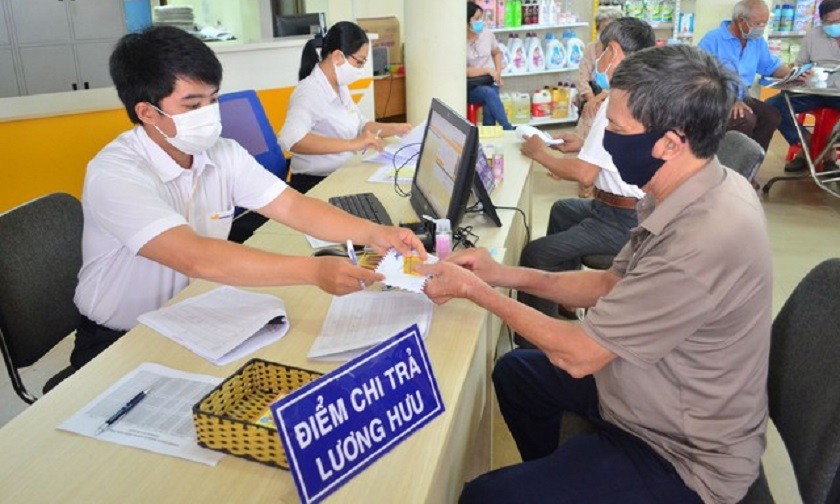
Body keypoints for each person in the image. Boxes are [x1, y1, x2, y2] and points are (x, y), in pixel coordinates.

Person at [420, 44, 772, 503]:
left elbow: (579, 356)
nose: (605, 138)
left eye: (616, 128)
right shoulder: (684, 188)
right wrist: (502, 274)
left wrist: (475, 290)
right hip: (643, 390)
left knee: (484, 497)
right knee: (517, 373)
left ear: (669, 142)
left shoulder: (704, 237)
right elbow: (609, 284)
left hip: (681, 451)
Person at [70, 26, 425, 371]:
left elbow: (291, 205)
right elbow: (195, 257)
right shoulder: (115, 173)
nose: (209, 115)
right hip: (119, 339)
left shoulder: (222, 152)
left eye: (213, 100)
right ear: (147, 112)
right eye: (193, 106)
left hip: (191, 315)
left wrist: (377, 234)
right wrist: (314, 271)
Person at [515, 17, 653, 332]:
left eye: (601, 52)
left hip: (622, 221)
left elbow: (584, 174)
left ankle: (537, 339)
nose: (597, 61)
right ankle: (564, 301)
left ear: (614, 52)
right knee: (562, 210)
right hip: (625, 207)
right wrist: (581, 144)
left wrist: (541, 154)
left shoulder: (617, 102)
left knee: (536, 253)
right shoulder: (641, 93)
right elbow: (609, 152)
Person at [278, 21, 411, 193]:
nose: (361, 69)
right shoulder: (309, 92)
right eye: (360, 62)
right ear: (338, 57)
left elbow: (360, 125)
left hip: (340, 173)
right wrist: (353, 144)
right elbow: (293, 140)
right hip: (315, 183)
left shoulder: (339, 85)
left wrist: (393, 128)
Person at [698, 0, 789, 153]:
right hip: (715, 98)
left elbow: (771, 66)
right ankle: (734, 171)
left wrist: (795, 74)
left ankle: (751, 166)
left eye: (765, 23)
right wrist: (730, 99)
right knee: (745, 119)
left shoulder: (757, 42)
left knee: (771, 116)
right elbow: (700, 76)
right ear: (741, 21)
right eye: (759, 23)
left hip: (743, 96)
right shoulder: (713, 39)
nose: (762, 28)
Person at [767, 0, 840, 172]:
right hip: (813, 91)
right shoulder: (813, 35)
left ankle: (828, 150)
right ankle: (805, 144)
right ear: (821, 21)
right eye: (831, 22)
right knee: (773, 106)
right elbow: (800, 65)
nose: (836, 25)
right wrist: (803, 74)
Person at [576, 8, 622, 141]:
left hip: (615, 102)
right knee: (584, 139)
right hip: (592, 98)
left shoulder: (624, 50)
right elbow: (582, 78)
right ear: (598, 29)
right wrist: (591, 101)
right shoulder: (591, 48)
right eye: (604, 29)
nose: (608, 33)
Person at [467, 2, 514, 130]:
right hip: (471, 87)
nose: (480, 22)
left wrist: (498, 72)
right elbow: (465, 72)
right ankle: (507, 128)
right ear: (466, 22)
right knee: (489, 94)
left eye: (481, 18)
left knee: (490, 101)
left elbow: (496, 52)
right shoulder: (459, 41)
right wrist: (487, 70)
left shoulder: (487, 34)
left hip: (490, 81)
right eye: (476, 19)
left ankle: (490, 135)